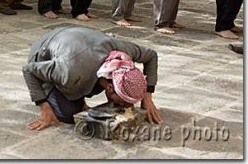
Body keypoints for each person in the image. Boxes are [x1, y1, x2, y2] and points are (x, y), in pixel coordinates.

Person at [23, 26, 162, 130]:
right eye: (125, 102)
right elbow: (28, 70)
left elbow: (151, 56)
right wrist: (44, 106)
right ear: (110, 87)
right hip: (43, 51)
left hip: (79, 40)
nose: (129, 106)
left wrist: (147, 96)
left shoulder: (122, 52)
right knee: (69, 114)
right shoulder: (69, 71)